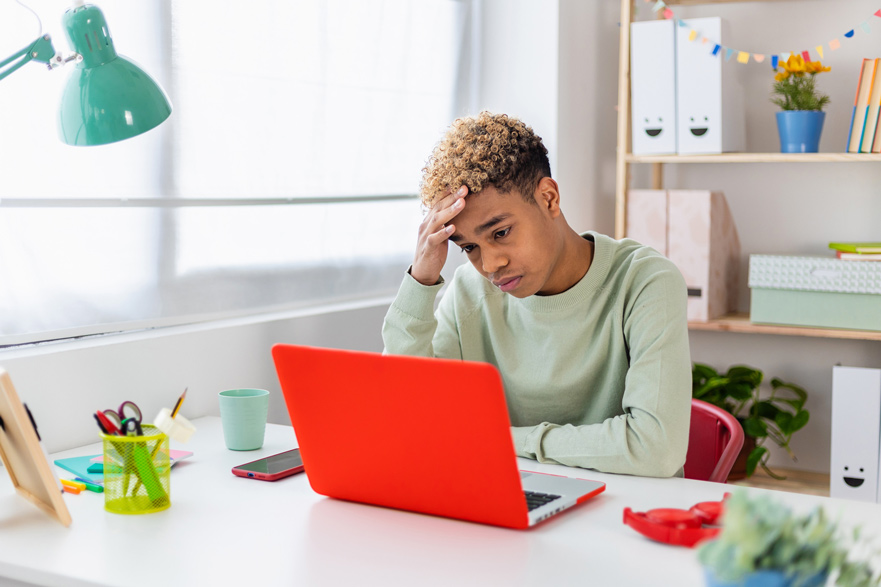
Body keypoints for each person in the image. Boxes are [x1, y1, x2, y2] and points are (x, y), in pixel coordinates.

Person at [382, 111, 691, 477]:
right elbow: (409, 418)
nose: (490, 264)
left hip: (622, 508)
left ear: (548, 198)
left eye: (500, 233)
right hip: (508, 501)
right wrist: (420, 280)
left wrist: (507, 441)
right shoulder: (469, 291)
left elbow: (656, 448)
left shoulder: (644, 281)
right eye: (469, 248)